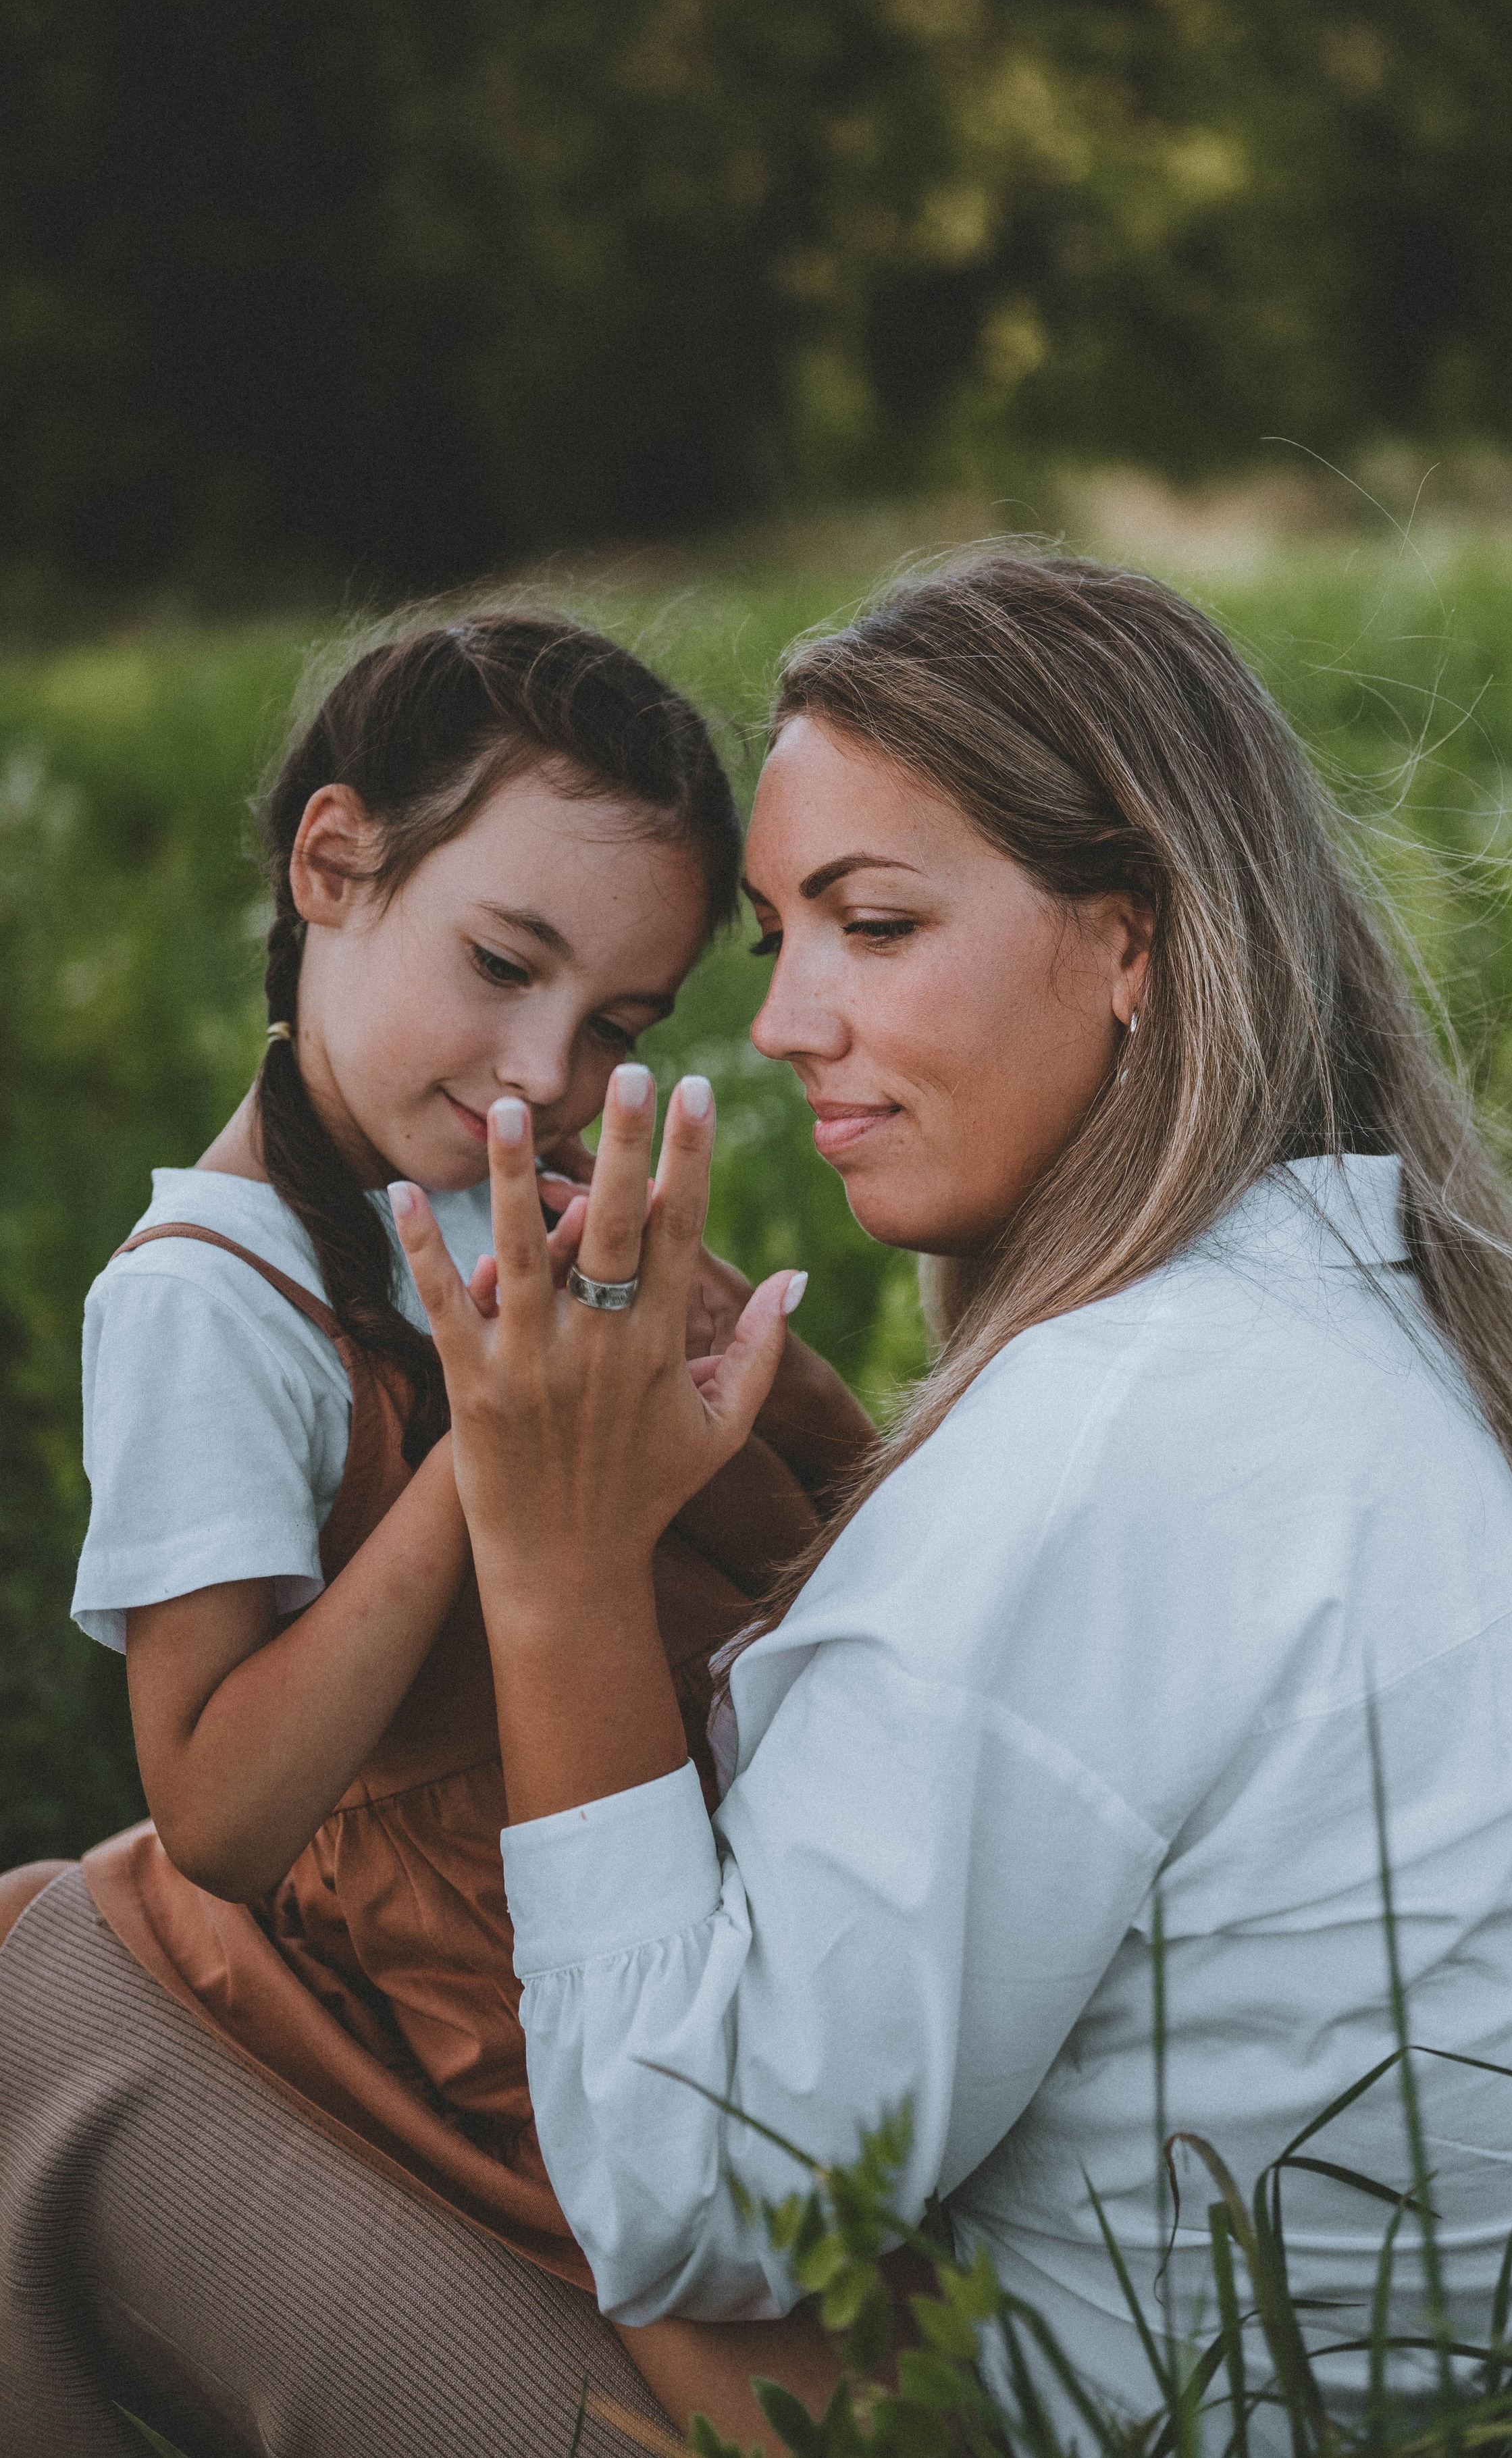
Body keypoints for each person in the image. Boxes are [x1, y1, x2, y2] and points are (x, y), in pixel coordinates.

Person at [388, 554, 1512, 2447]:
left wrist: (554, 1561)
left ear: (1133, 942)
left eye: (875, 924)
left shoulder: (1104, 1441)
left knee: (82, 2003)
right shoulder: (1340, 1316)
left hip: (1055, 2416)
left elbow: (686, 2198)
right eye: (777, 940)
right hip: (1280, 2395)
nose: (786, 1022)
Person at [0, 609, 869, 2455]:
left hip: (703, 1908)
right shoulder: (208, 1302)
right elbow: (218, 1807)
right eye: (501, 962)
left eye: (615, 1024)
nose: (541, 1069)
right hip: (477, 1995)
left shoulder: (507, 1189)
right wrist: (493, 1458)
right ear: (333, 865)